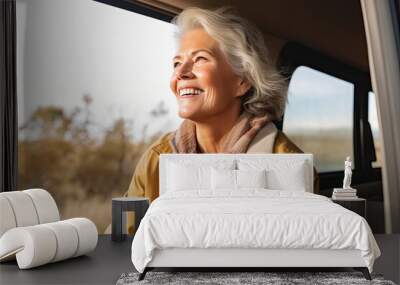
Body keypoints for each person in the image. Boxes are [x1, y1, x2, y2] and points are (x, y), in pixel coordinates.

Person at [124, 6, 319, 233]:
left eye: (200, 59)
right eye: (177, 63)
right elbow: (123, 245)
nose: (181, 73)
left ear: (242, 82)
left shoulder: (289, 162)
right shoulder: (156, 159)